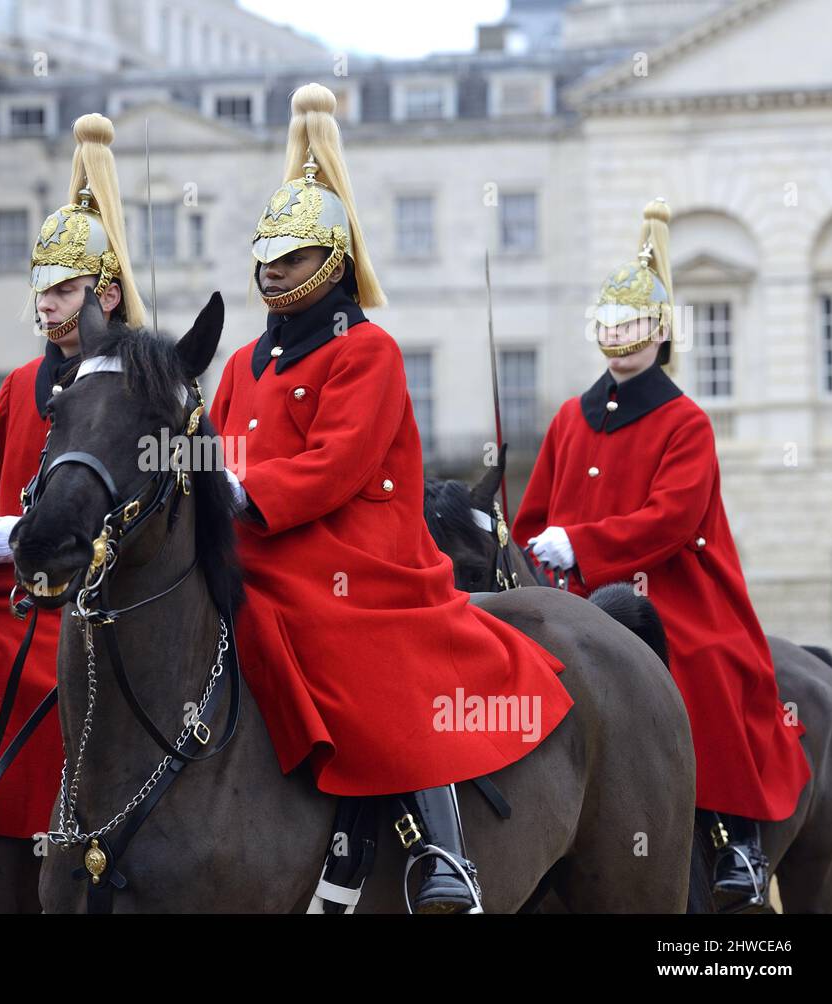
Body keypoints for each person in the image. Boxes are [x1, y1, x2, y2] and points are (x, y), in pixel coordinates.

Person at [208, 83, 574, 913]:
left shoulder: (366, 352)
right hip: (258, 534)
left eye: (291, 258)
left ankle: (443, 853)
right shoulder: (240, 364)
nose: (271, 271)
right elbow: (217, 452)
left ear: (332, 262)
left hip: (355, 549)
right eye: (265, 256)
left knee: (355, 647)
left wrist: (241, 488)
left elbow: (337, 466)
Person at [513, 198, 811, 911]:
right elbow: (532, 514)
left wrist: (581, 544)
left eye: (632, 327)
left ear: (660, 333)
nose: (618, 340)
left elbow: (671, 521)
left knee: (705, 665)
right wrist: (531, 551)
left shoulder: (686, 422)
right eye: (609, 327)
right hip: (576, 592)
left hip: (676, 585)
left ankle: (733, 836)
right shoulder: (567, 417)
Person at [0, 113, 145, 839]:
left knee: (31, 669)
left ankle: (38, 832)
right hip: (13, 588)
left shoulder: (134, 385)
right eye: (41, 290)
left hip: (97, 595)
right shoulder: (18, 382)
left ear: (106, 296)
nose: (46, 305)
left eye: (63, 291)